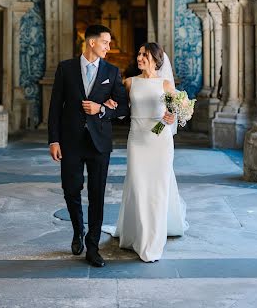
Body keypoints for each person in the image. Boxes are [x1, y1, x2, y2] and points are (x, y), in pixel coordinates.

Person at [48, 24, 129, 268]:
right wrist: (54, 139)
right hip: (71, 141)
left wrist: (101, 109)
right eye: (105, 42)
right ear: (92, 43)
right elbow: (55, 108)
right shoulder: (66, 69)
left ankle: (92, 246)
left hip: (99, 143)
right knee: (71, 189)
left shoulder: (112, 72)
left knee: (97, 195)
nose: (109, 47)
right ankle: (77, 231)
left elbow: (124, 108)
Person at [104, 42, 188, 262]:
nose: (139, 57)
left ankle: (152, 241)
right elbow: (120, 107)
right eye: (139, 53)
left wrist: (171, 118)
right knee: (138, 187)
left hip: (160, 142)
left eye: (145, 55)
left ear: (155, 59)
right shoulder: (130, 83)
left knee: (157, 190)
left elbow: (174, 112)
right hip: (137, 140)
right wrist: (108, 105)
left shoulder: (166, 84)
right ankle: (137, 235)